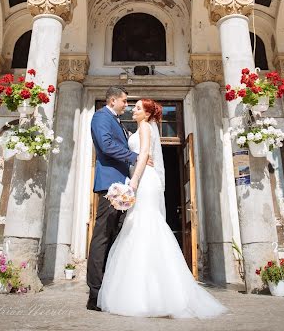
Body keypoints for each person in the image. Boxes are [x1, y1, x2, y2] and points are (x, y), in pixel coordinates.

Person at [97, 98, 228, 319]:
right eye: (133, 107)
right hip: (139, 178)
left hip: (145, 181)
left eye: (138, 108)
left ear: (147, 114)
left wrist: (134, 183)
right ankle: (145, 292)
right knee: (136, 226)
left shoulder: (146, 128)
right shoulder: (138, 128)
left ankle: (159, 294)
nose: (133, 110)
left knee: (146, 224)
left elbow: (145, 155)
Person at [86, 86, 152, 311]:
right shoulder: (100, 117)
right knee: (102, 236)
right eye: (124, 101)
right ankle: (94, 294)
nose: (127, 105)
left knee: (116, 236)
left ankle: (109, 290)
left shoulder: (118, 121)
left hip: (122, 187)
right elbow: (106, 145)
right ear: (113, 100)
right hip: (109, 186)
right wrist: (134, 156)